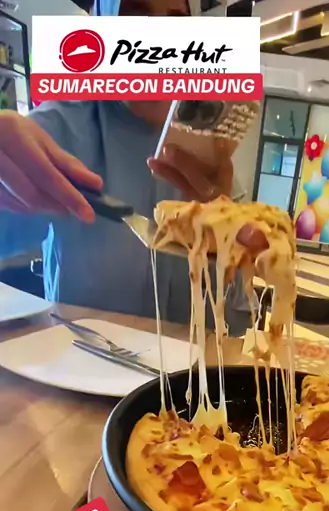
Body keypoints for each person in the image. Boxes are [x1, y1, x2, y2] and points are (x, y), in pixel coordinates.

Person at [0, 0, 260, 334]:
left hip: (193, 367)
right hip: (82, 362)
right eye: (136, 16)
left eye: (177, 24)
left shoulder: (209, 153)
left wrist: (229, 248)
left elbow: (237, 319)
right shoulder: (61, 130)